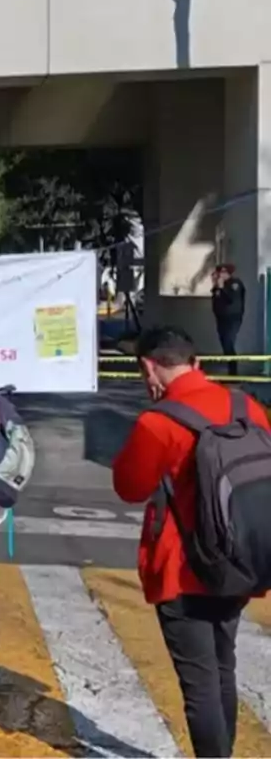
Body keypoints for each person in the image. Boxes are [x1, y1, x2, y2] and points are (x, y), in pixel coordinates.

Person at [113, 326, 270, 758]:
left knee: (199, 682)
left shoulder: (159, 421)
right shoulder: (248, 406)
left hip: (183, 571)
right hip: (243, 559)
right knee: (223, 667)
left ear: (149, 368)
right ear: (195, 362)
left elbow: (128, 485)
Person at [211, 263, 245, 377]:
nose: (219, 275)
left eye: (222, 272)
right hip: (221, 319)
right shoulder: (219, 286)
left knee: (228, 342)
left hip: (232, 319)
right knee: (225, 344)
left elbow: (232, 299)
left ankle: (233, 373)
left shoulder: (235, 284)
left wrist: (222, 288)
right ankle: (231, 372)